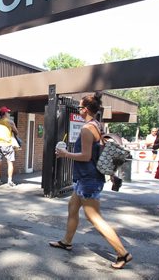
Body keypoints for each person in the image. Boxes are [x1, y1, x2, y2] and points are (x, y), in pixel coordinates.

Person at [50, 92, 132, 269]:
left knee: (94, 218)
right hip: (85, 178)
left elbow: (86, 156)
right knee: (72, 207)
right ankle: (67, 241)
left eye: (79, 107)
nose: (79, 109)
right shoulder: (97, 124)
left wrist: (65, 154)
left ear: (85, 109)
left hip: (89, 179)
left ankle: (123, 254)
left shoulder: (87, 129)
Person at [0, 106, 19, 187]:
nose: (8, 113)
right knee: (10, 162)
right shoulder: (10, 122)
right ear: (4, 113)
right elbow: (16, 132)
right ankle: (10, 181)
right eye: (7, 112)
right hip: (7, 144)